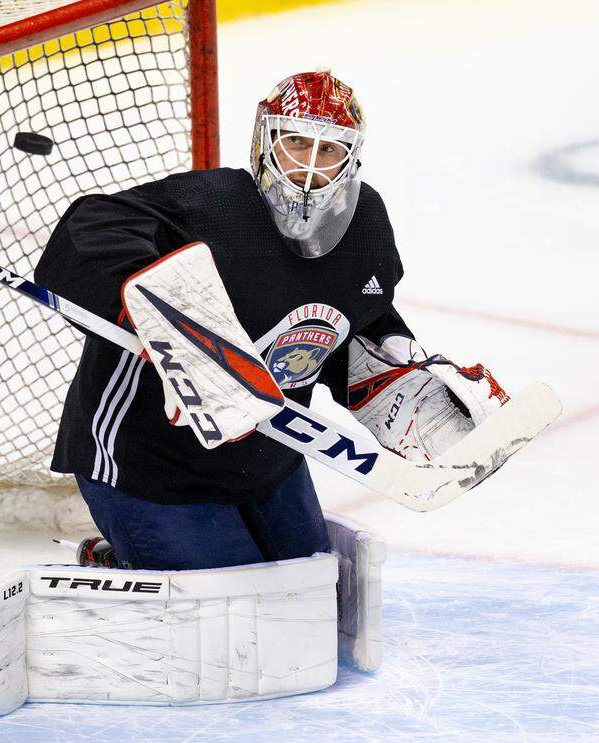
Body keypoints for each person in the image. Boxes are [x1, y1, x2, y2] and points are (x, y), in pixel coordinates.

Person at [32, 69, 507, 572]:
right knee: (236, 613)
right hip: (147, 467)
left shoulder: (365, 226)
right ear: (265, 141)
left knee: (315, 600)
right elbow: (90, 226)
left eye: (329, 150)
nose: (309, 167)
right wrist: (162, 313)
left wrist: (402, 371)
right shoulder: (211, 205)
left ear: (353, 156)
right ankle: (116, 566)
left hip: (268, 459)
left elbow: (351, 319)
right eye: (297, 143)